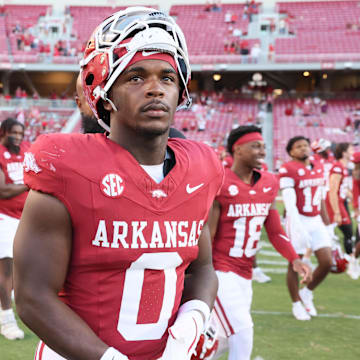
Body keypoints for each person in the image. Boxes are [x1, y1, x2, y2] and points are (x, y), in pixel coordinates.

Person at [14, 7, 224, 360]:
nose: (156, 89)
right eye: (136, 77)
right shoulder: (69, 166)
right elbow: (34, 296)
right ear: (105, 91)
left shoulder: (200, 168)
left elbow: (201, 269)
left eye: (168, 78)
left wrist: (193, 320)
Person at [209, 126, 311, 360]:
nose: (262, 151)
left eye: (264, 146)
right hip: (221, 270)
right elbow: (208, 233)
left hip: (245, 274)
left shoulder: (269, 182)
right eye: (255, 146)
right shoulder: (220, 181)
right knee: (243, 331)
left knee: (224, 339)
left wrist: (294, 259)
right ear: (238, 150)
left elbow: (275, 231)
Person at [279, 136, 332, 321]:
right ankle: (296, 304)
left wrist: (328, 224)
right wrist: (296, 225)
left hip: (315, 218)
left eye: (305, 145)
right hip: (297, 218)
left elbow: (320, 198)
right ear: (291, 152)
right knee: (295, 264)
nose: (303, 149)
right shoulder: (288, 168)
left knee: (327, 261)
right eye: (298, 146)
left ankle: (307, 293)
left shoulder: (317, 165)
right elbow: (289, 202)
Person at [0, 118, 29, 340]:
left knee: (20, 271)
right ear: (4, 132)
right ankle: (7, 321)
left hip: (24, 217)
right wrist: (28, 184)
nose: (18, 136)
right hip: (4, 218)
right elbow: (3, 191)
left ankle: (5, 311)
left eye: (21, 133)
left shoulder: (25, 150)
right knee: (6, 271)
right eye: (14, 133)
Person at [325, 142, 356, 278]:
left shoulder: (343, 167)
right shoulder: (337, 167)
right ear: (344, 152)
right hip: (334, 202)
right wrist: (336, 211)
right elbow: (332, 190)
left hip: (340, 201)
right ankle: (350, 262)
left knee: (333, 232)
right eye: (351, 149)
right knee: (347, 231)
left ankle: (348, 260)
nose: (353, 150)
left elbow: (342, 189)